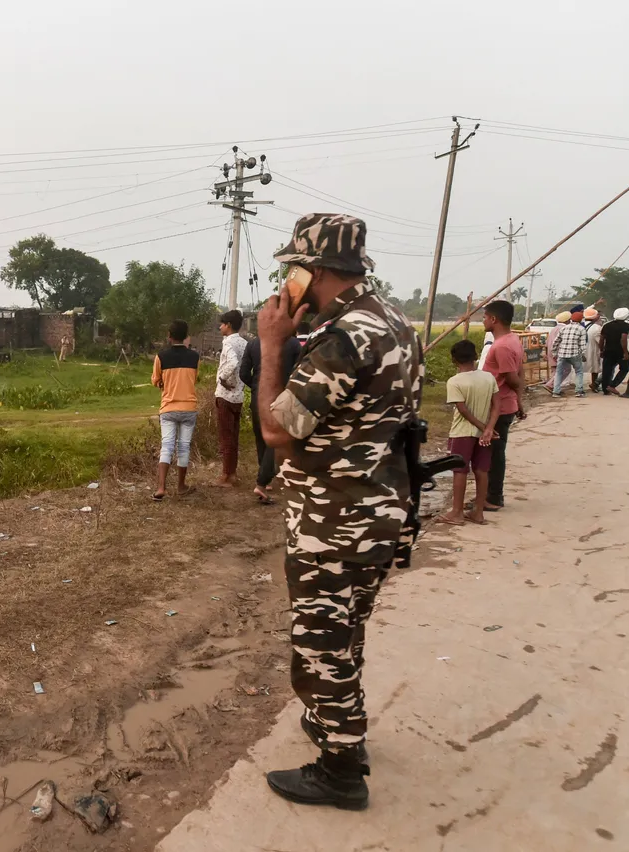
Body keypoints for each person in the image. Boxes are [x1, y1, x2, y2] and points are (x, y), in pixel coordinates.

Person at [255, 213, 421, 810]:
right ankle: (338, 729)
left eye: (292, 269)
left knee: (321, 644)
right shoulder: (397, 323)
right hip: (380, 514)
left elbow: (277, 431)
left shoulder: (345, 336)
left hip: (335, 523)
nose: (287, 282)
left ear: (313, 270)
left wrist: (271, 343)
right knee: (345, 634)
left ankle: (340, 771)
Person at [239, 322, 304, 503]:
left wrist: (255, 386)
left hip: (257, 397)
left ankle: (264, 476)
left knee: (261, 436)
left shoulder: (253, 344)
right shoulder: (293, 344)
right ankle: (262, 481)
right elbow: (299, 372)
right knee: (275, 442)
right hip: (281, 397)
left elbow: (243, 372)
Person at [438, 339, 498, 526]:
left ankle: (456, 512)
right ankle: (478, 512)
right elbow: (497, 404)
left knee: (460, 471)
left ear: (454, 360)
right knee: (482, 470)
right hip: (484, 434)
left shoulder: (455, 381)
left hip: (462, 432)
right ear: (475, 356)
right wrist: (488, 428)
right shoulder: (488, 377)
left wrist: (482, 427)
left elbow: (462, 410)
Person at [481, 300, 526, 514]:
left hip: (500, 407)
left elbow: (512, 377)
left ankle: (493, 497)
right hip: (505, 403)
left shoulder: (502, 346)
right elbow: (521, 370)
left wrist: (518, 398)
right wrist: (520, 400)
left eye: (484, 317)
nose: (483, 321)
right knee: (493, 452)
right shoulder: (513, 340)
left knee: (494, 454)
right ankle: (489, 493)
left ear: (493, 319)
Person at [151, 319, 199, 501]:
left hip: (169, 407)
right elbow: (194, 379)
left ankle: (161, 487)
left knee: (167, 446)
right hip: (188, 407)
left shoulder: (161, 357)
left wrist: (163, 383)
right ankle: (181, 486)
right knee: (184, 447)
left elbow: (156, 380)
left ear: (169, 336)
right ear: (186, 336)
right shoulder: (195, 357)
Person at [213, 310, 248, 487]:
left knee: (225, 436)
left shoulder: (228, 343)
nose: (220, 326)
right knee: (233, 437)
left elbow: (232, 363)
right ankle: (232, 473)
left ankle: (226, 474)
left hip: (226, 395)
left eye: (222, 323)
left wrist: (222, 378)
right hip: (238, 395)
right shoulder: (244, 343)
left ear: (228, 325)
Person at [550, 309, 588, 398]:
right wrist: (583, 355)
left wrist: (555, 353)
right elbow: (582, 344)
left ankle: (556, 392)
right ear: (581, 319)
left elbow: (556, 342)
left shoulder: (564, 328)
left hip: (562, 354)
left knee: (559, 372)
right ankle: (579, 391)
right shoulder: (581, 329)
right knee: (578, 371)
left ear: (571, 319)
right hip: (574, 354)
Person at [600, 308, 629, 394]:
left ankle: (605, 389)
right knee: (624, 369)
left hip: (608, 350)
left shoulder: (606, 325)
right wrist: (625, 352)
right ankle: (612, 385)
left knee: (607, 370)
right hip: (620, 351)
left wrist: (601, 350)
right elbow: (623, 339)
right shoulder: (626, 326)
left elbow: (602, 339)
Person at [541, 311, 570, 387]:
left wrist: (546, 354)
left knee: (556, 371)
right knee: (565, 369)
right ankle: (551, 385)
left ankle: (554, 387)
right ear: (567, 320)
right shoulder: (564, 329)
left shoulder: (554, 329)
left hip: (550, 352)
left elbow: (547, 343)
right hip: (558, 353)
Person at [583, 307, 603, 392]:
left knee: (579, 370)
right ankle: (594, 385)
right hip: (592, 350)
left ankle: (579, 387)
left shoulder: (580, 325)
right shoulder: (596, 328)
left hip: (581, 350)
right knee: (595, 369)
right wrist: (603, 350)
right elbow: (600, 342)